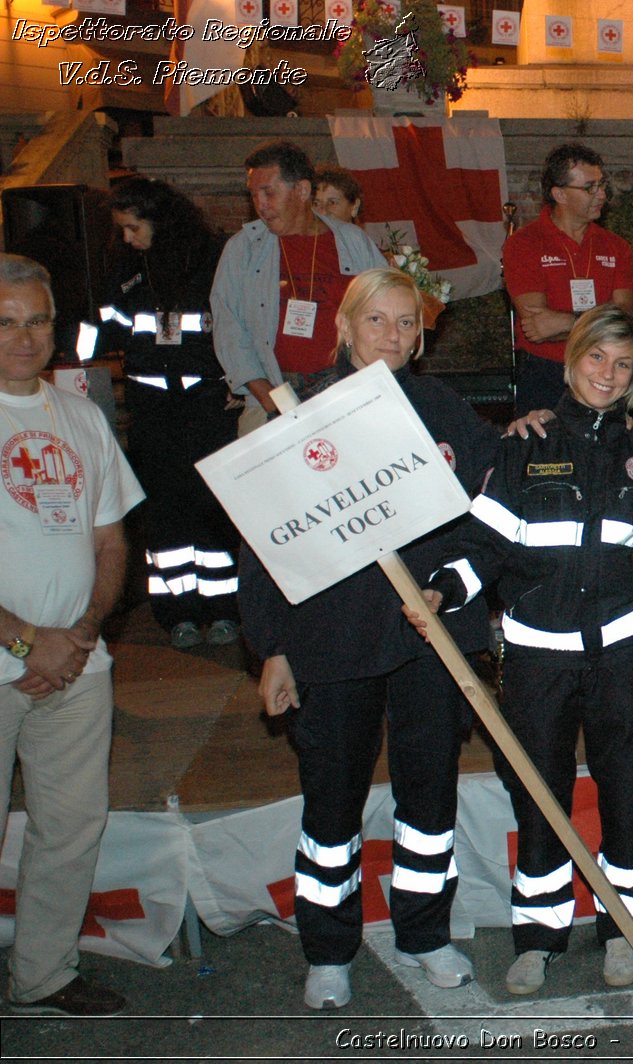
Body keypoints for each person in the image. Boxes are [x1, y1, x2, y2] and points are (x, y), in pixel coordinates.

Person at [240, 268, 499, 1011]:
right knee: (331, 802)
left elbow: (491, 508)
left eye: (407, 324)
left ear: (423, 336)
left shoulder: (445, 407)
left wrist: (456, 582)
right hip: (332, 636)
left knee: (429, 798)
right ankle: (327, 948)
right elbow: (262, 543)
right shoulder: (302, 411)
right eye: (378, 321)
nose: (393, 336)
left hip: (427, 639)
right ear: (347, 327)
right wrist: (273, 648)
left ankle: (425, 934)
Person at [415, 305, 633, 995]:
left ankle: (625, 927)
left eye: (622, 364)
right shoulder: (522, 445)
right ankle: (540, 934)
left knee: (626, 789)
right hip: (537, 658)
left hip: (622, 652)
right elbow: (483, 544)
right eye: (596, 358)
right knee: (539, 795)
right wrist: (442, 591)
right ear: (573, 356)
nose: (607, 375)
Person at [0, 254, 143, 1016]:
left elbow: (112, 542)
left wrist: (82, 633)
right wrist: (26, 639)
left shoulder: (82, 414)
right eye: (6, 320)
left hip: (78, 668)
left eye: (37, 319)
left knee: (71, 828)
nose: (24, 336)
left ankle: (43, 975)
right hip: (12, 661)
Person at [89, 178, 239, 650]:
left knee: (212, 507)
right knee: (165, 513)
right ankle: (177, 611)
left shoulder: (212, 259)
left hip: (207, 401)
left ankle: (222, 610)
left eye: (134, 227)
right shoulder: (128, 269)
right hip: (151, 404)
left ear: (160, 219)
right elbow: (105, 328)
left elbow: (237, 324)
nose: (128, 238)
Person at [211, 140, 386, 436]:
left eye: (269, 192)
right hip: (272, 397)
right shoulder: (243, 250)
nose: (260, 204)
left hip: (348, 396)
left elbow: (386, 312)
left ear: (302, 191)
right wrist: (270, 400)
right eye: (253, 194)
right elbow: (229, 328)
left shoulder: (352, 242)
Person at [504, 144, 633, 415]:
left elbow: (625, 319)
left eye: (602, 185)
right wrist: (599, 320)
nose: (601, 194)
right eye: (590, 187)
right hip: (546, 374)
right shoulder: (524, 244)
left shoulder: (617, 247)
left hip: (605, 373)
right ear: (560, 194)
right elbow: (537, 327)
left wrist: (566, 321)